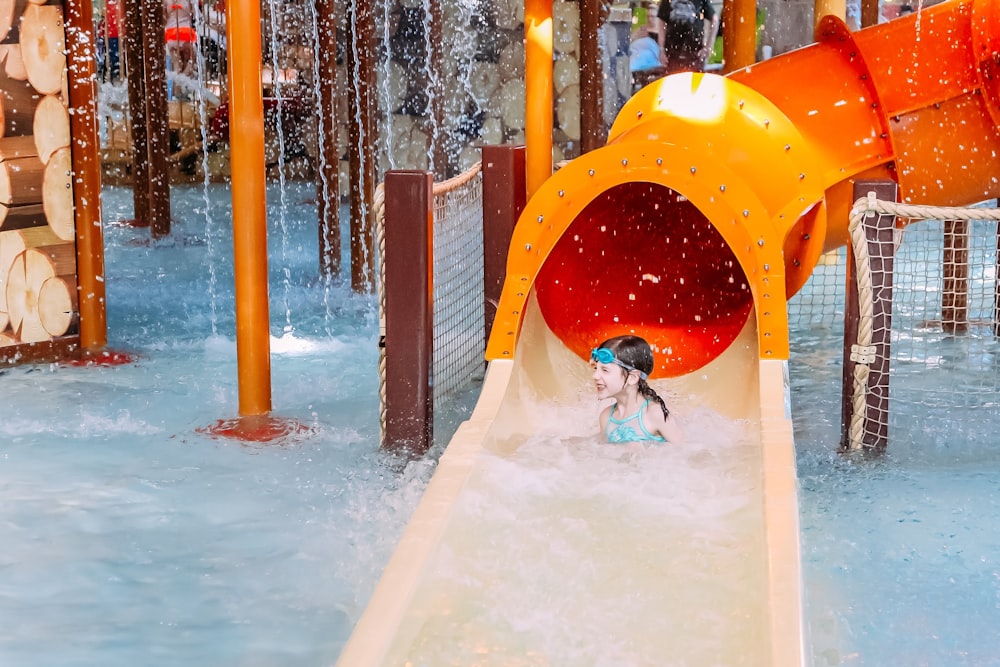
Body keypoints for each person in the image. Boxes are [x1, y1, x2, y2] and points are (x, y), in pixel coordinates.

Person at [591, 335, 684, 444]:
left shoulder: (654, 413)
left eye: (605, 370)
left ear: (632, 377)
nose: (595, 376)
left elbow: (686, 453)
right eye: (595, 368)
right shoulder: (606, 417)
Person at [657, 0, 718, 75]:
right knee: (674, 83)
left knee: (695, 83)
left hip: (695, 54)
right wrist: (661, 49)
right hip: (672, 55)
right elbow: (662, 21)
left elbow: (714, 19)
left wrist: (709, 46)